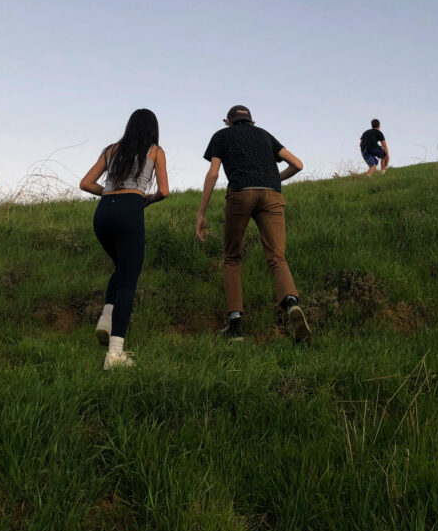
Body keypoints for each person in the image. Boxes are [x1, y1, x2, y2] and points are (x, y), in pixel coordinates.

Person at [196, 105, 311, 345]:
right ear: (251, 121)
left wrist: (201, 213)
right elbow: (298, 164)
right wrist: (271, 179)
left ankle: (236, 326)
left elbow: (214, 173)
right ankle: (291, 303)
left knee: (232, 257)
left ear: (228, 121)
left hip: (241, 194)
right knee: (277, 257)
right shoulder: (264, 135)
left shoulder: (222, 135)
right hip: (272, 195)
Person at [79, 108, 169, 369]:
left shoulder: (111, 149)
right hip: (131, 208)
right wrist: (145, 198)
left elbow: (85, 183)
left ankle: (107, 318)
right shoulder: (155, 151)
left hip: (103, 212)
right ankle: (115, 353)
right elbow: (163, 190)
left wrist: (109, 193)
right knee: (129, 280)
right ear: (153, 128)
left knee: (122, 267)